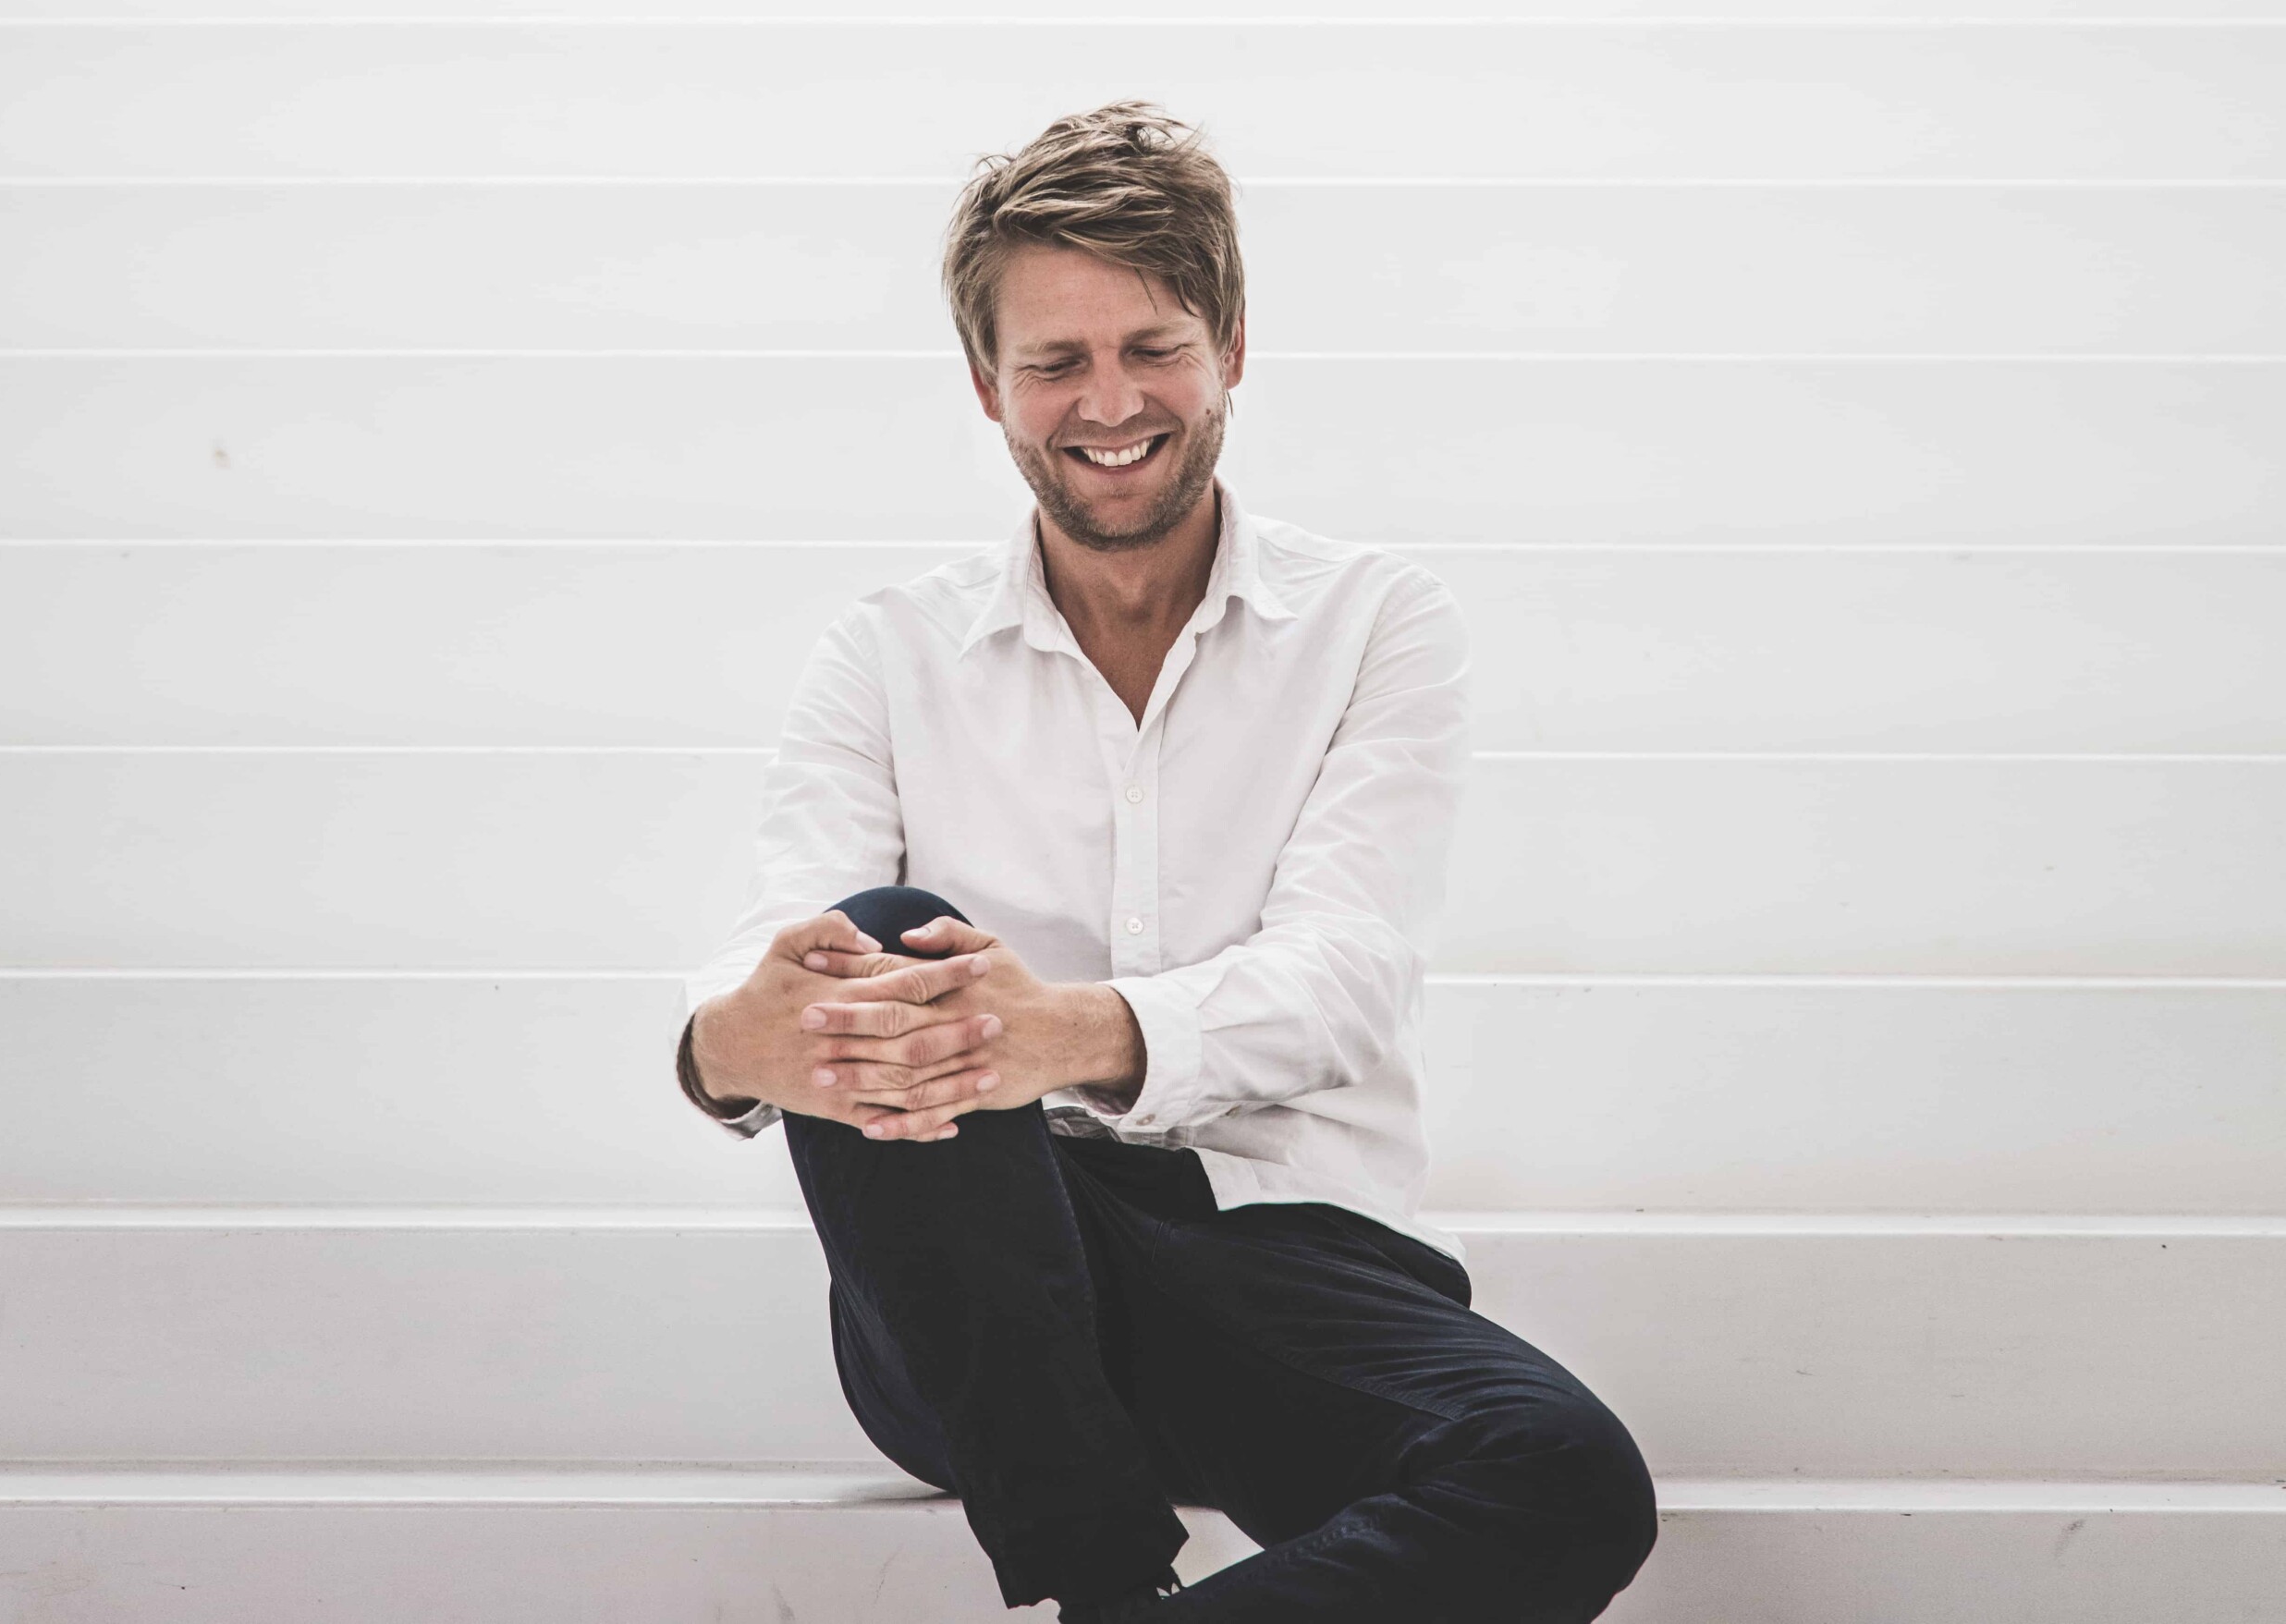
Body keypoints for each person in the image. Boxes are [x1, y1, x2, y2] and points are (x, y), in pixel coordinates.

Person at [670, 103, 1656, 1621]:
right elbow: (767, 976)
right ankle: (1098, 1584)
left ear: (1233, 349)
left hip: (1283, 1256)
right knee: (871, 939)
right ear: (987, 386)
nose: (1108, 401)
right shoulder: (884, 649)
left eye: (1153, 346)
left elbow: (1345, 977)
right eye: (1055, 360)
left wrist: (1054, 1032)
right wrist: (735, 1046)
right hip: (975, 1282)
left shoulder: (1376, 623)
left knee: (1563, 1476)